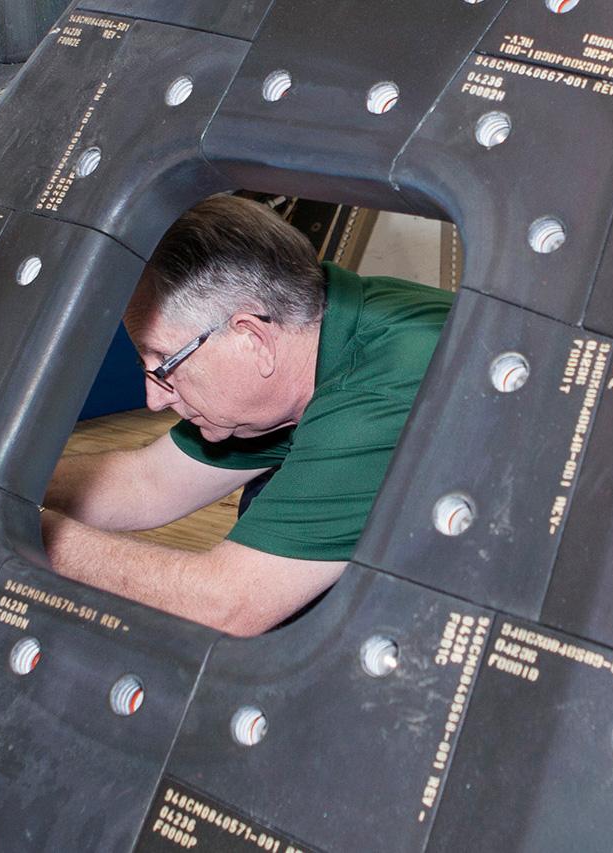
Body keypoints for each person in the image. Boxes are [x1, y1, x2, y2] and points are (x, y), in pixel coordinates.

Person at [41, 194, 454, 636]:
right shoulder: (314, 346)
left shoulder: (375, 392)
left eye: (163, 364)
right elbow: (149, 483)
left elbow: (228, 604)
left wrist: (20, 529)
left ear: (251, 338)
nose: (154, 399)